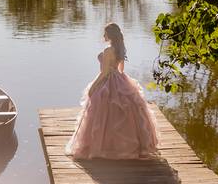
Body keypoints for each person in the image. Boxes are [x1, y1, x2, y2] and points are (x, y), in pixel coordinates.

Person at [65, 22, 160, 159]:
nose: (103, 35)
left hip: (107, 80)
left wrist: (93, 87)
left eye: (105, 33)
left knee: (103, 112)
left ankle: (105, 146)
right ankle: (127, 146)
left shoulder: (108, 50)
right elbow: (121, 69)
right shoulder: (120, 48)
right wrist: (121, 81)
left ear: (109, 35)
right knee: (122, 113)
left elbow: (104, 73)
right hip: (119, 78)